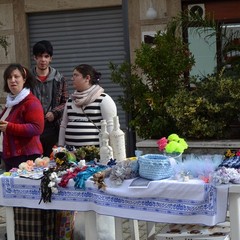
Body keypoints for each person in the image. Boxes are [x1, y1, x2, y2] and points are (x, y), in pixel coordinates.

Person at [58, 64, 117, 240]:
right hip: (73, 161)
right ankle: (81, 234)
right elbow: (63, 125)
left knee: (98, 197)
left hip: (96, 162)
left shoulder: (104, 99)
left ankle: (103, 236)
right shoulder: (70, 101)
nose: (72, 78)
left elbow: (113, 131)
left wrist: (112, 158)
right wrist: (60, 148)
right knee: (78, 198)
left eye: (75, 75)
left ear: (87, 78)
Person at [0, 64, 56, 240]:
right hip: (12, 157)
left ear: (24, 79)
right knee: (16, 200)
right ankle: (18, 231)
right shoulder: (11, 102)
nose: (12, 80)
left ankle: (30, 234)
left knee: (26, 200)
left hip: (26, 159)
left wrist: (9, 127)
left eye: (16, 77)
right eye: (9, 78)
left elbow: (37, 128)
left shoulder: (31, 102)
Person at [31, 40, 68, 157]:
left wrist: (54, 113)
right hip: (33, 127)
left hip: (53, 127)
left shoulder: (59, 78)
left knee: (52, 161)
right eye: (40, 56)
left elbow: (66, 102)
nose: (43, 60)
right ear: (34, 58)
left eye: (46, 56)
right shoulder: (27, 78)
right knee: (33, 163)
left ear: (50, 58)